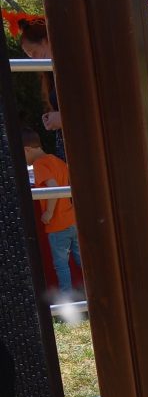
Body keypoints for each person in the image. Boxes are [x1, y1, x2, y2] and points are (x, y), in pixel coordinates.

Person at [22, 126, 81, 299]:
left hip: (57, 225)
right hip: (71, 220)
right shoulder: (57, 160)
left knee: (61, 265)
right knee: (81, 260)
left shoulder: (39, 164)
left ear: (27, 149)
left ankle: (66, 299)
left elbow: (53, 187)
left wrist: (48, 212)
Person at [20, 20, 65, 160]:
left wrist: (62, 119)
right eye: (29, 56)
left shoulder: (72, 66)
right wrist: (53, 118)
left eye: (34, 53)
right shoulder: (51, 75)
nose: (34, 59)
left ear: (46, 40)